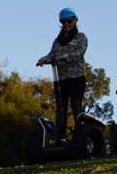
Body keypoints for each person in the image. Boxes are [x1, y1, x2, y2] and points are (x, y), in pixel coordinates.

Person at [36, 8, 89, 143]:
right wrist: (43, 60)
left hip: (77, 78)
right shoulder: (57, 41)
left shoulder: (81, 37)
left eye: (69, 21)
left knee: (76, 105)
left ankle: (80, 137)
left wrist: (63, 57)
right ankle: (60, 137)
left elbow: (79, 53)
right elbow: (51, 55)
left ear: (75, 21)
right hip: (61, 80)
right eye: (63, 22)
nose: (66, 24)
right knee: (61, 109)